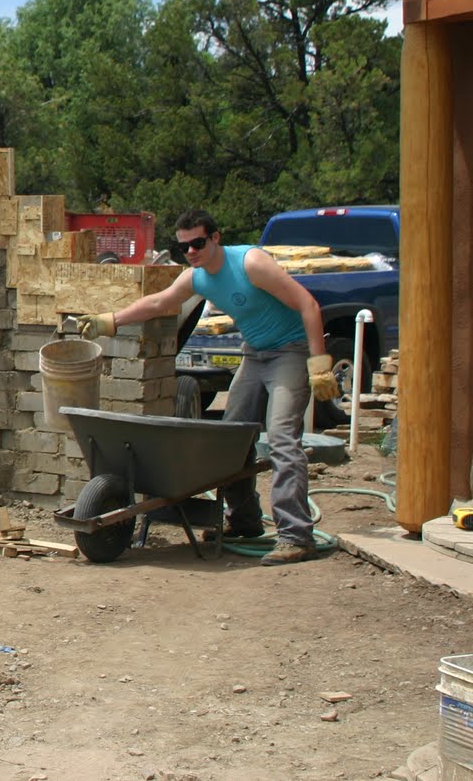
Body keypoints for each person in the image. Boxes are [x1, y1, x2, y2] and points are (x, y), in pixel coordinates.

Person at [75, 208, 341, 567]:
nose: (191, 252)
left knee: (281, 438)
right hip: (255, 352)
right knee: (230, 440)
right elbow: (159, 302)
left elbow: (308, 304)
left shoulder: (251, 264)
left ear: (215, 237)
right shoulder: (198, 277)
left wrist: (319, 363)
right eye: (184, 246)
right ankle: (244, 520)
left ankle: (297, 536)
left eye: (198, 243)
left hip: (290, 353)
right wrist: (110, 321)